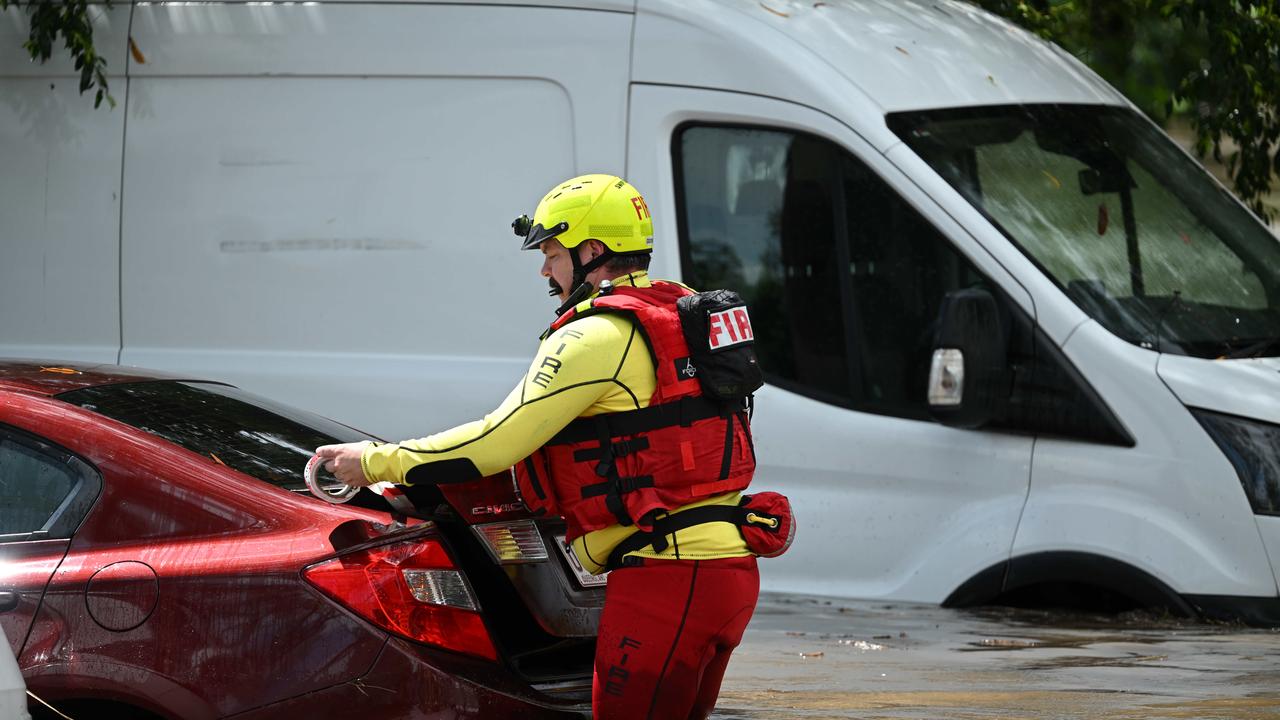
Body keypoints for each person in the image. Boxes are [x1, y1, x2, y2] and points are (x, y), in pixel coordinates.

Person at [316, 174, 768, 720]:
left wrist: (368, 461)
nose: (545, 271)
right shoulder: (683, 311)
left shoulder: (595, 336)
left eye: (552, 253)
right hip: (728, 572)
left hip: (668, 580)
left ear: (592, 250)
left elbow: (492, 444)